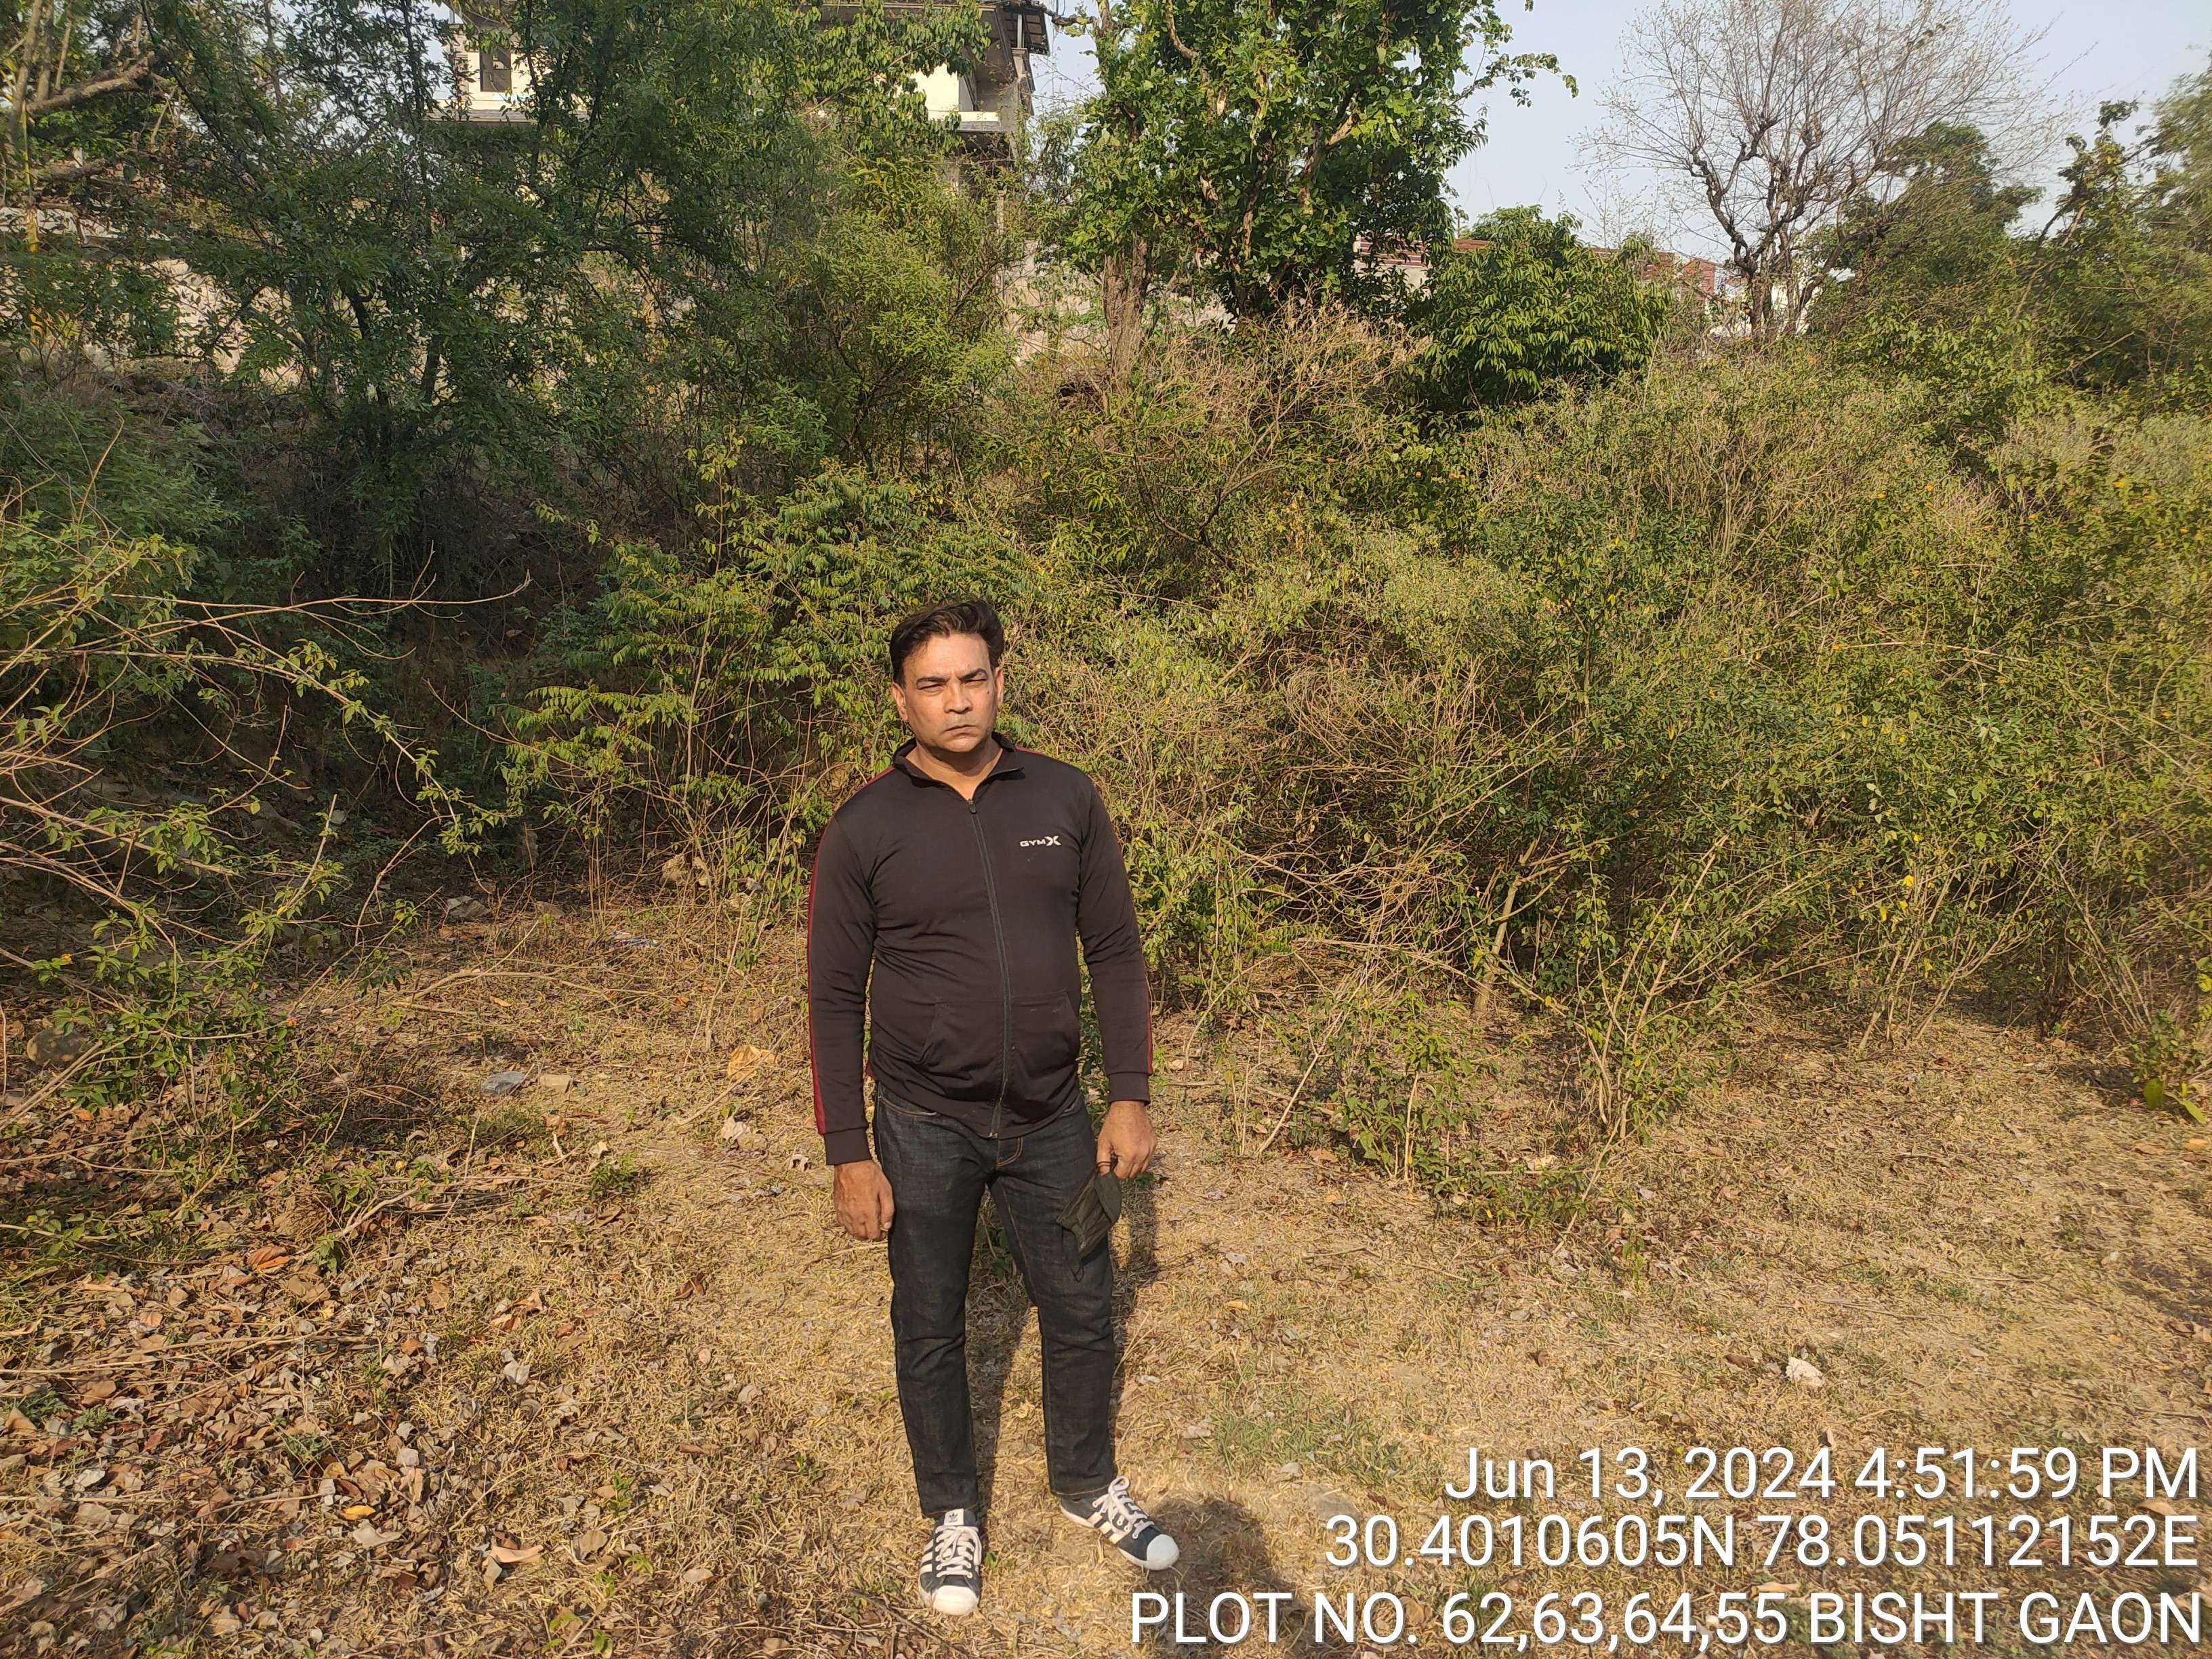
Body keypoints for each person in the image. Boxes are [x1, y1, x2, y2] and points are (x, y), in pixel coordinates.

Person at [805, 597, 1179, 1617]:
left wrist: (1130, 1096)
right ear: (901, 700)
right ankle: (952, 1513)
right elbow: (833, 997)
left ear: (1000, 683)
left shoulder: (1064, 797)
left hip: (1055, 1117)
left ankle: (1086, 1481)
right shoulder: (866, 827)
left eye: (973, 678)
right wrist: (848, 1149)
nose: (957, 700)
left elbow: (1116, 952)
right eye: (933, 685)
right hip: (923, 1124)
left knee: (1082, 1305)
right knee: (928, 1324)